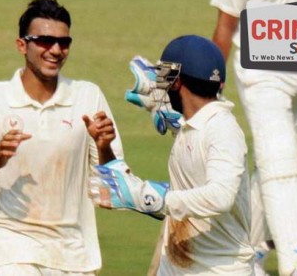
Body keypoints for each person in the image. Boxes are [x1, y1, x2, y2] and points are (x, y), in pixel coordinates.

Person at [0, 0, 123, 276]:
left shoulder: (88, 96)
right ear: (22, 45)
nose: (55, 50)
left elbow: (113, 194)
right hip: (10, 249)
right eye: (44, 41)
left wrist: (104, 148)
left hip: (73, 255)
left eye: (64, 43)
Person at [87, 35, 255, 275]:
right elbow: (187, 128)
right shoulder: (193, 125)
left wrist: (148, 196)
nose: (159, 85)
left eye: (163, 78)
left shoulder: (223, 130)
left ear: (176, 83)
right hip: (178, 266)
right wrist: (158, 104)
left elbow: (221, 196)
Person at [210, 0, 297, 276]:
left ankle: (247, 251)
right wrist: (210, 87)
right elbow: (225, 24)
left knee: (281, 160)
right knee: (279, 159)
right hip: (260, 65)